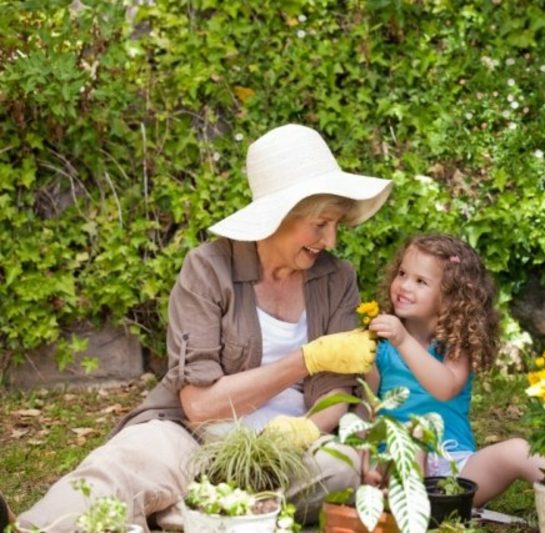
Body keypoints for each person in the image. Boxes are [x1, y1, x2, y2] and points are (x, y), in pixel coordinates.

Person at [11, 124, 393, 532]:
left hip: (291, 451)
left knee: (340, 470)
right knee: (121, 465)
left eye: (335, 224)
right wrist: (303, 361)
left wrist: (301, 432)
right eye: (321, 224)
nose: (331, 239)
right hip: (193, 434)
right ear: (279, 215)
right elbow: (200, 405)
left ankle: (187, 509)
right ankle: (34, 529)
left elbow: (337, 390)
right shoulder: (208, 269)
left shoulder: (337, 278)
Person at [365, 234, 545, 507]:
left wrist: (402, 340)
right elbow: (366, 409)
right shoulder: (379, 347)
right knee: (411, 439)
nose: (404, 285)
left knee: (520, 451)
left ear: (451, 297)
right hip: (399, 462)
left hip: (458, 470)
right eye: (402, 273)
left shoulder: (454, 343)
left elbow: (446, 386)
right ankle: (416, 516)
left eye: (420, 281)